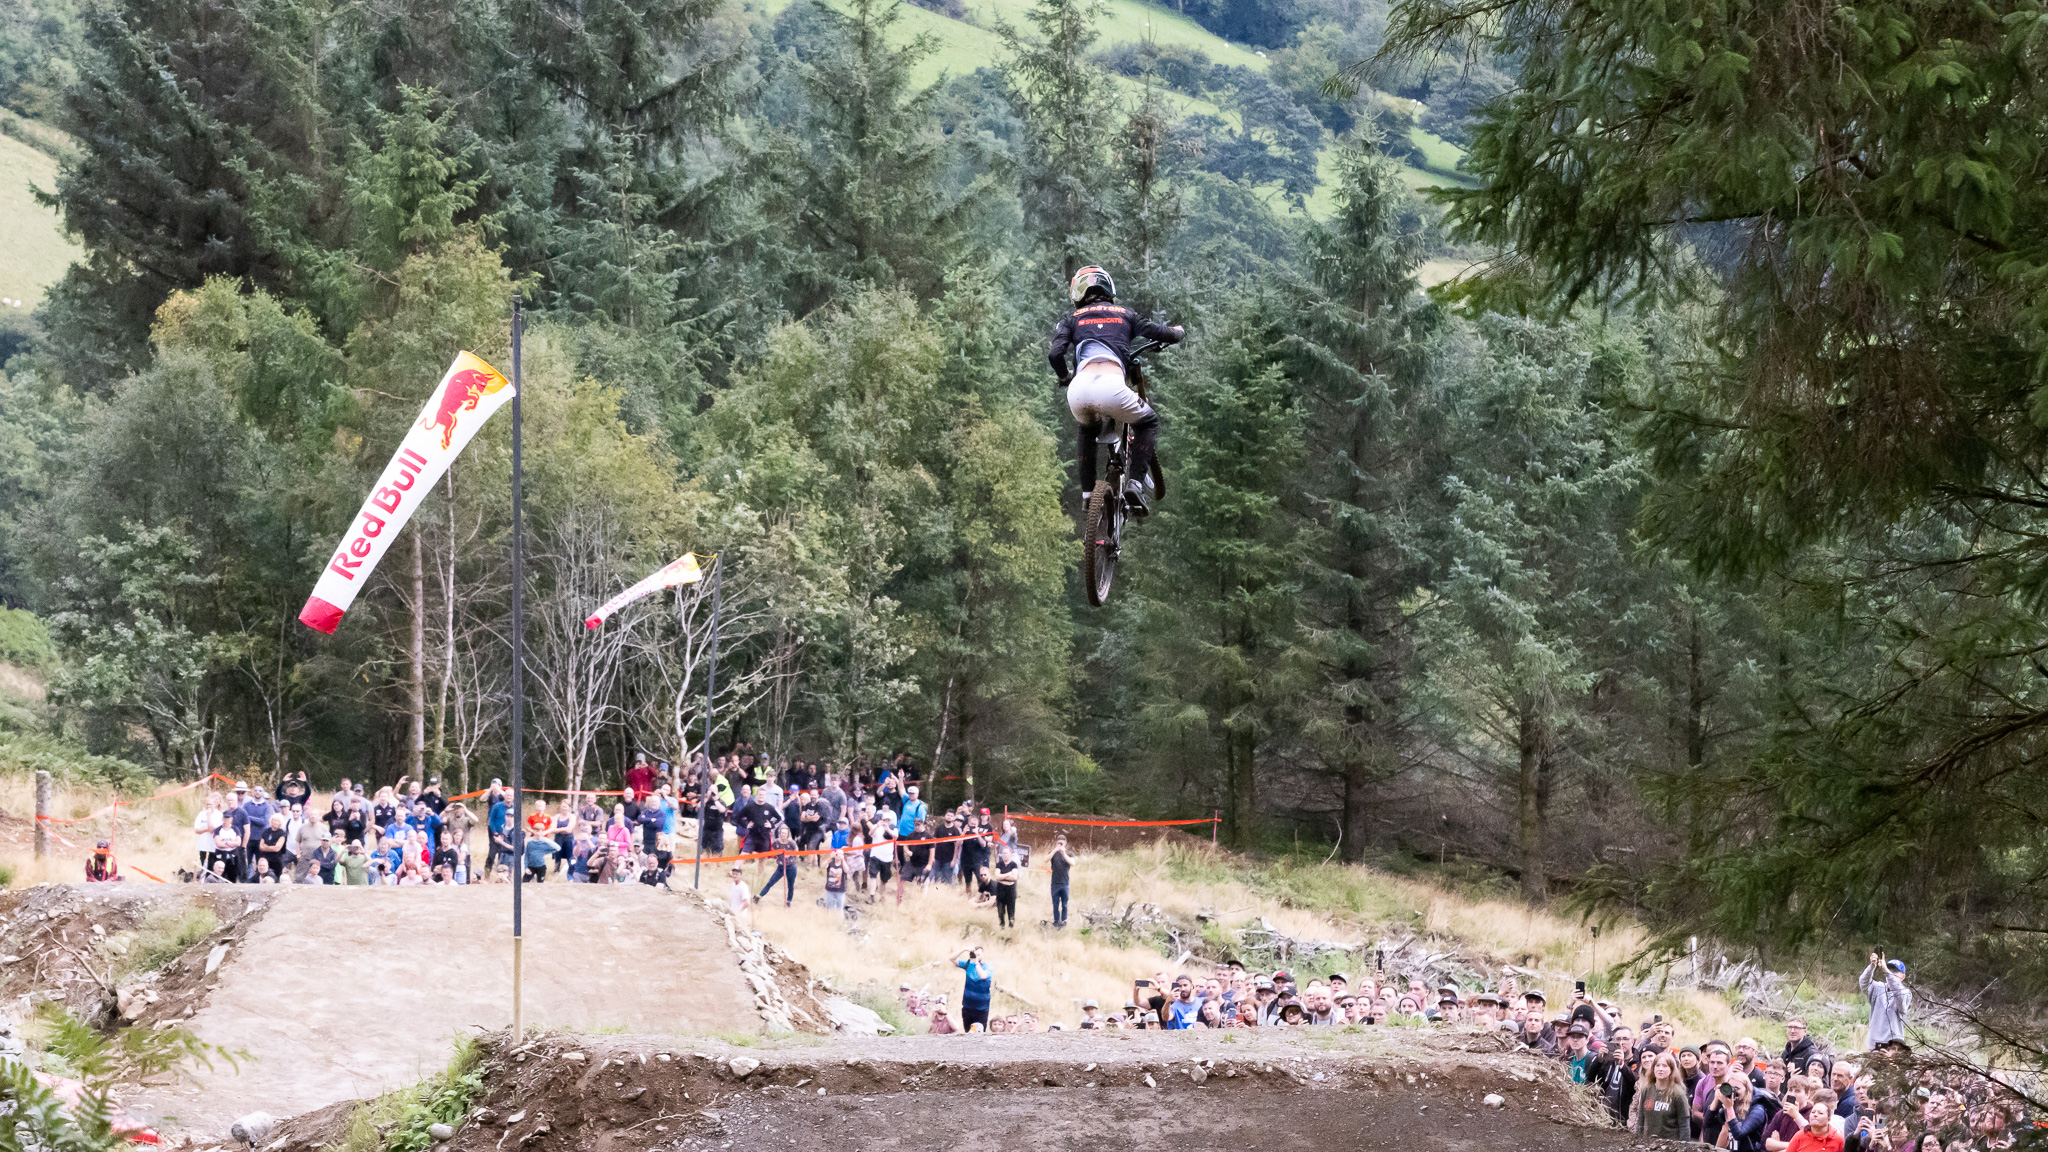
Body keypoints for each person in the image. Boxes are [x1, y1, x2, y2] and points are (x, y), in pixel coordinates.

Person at [1046, 264, 1185, 516]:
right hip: (1112, 387)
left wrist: (1065, 376)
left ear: (1077, 294)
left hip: (1078, 390)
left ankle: (1088, 495)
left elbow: (1055, 354)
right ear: (1108, 288)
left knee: (1087, 429)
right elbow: (1162, 333)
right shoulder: (1126, 314)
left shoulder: (1071, 319)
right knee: (1148, 422)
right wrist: (1178, 332)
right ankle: (1135, 485)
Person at [1636, 1051, 1694, 1140]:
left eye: (1665, 1066)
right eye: (1657, 1065)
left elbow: (1684, 1126)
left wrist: (1683, 1146)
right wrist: (1637, 1140)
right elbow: (1640, 1119)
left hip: (1670, 1144)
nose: (1660, 1069)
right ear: (1653, 1068)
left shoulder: (1678, 1093)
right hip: (1648, 1142)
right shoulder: (1646, 1090)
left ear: (1671, 1070)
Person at [1860, 953, 1911, 1049]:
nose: (1891, 972)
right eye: (1890, 969)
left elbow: (1898, 992)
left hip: (1894, 1046)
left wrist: (1887, 972)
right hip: (1874, 1044)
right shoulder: (1877, 987)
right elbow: (1863, 982)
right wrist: (1871, 967)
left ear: (1903, 976)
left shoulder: (1905, 993)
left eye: (1895, 971)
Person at [953, 946, 993, 1032]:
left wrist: (976, 963)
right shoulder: (968, 965)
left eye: (979, 955)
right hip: (967, 1006)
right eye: (975, 954)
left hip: (982, 1008)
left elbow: (983, 976)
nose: (977, 956)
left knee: (979, 1032)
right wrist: (964, 949)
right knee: (968, 1032)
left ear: (983, 955)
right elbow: (952, 958)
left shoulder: (988, 967)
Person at [991, 847, 1020, 928]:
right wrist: (1008, 874)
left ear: (1010, 854)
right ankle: (1002, 927)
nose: (1004, 855)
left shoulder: (1014, 864)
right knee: (1000, 911)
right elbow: (997, 877)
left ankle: (1011, 927)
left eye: (1006, 853)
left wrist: (1002, 876)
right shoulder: (999, 864)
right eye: (1003, 853)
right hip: (1000, 889)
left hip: (1010, 890)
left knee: (1011, 911)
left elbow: (1014, 878)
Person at [1048, 834, 1072, 928]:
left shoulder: (1069, 853)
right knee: (1055, 904)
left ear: (1065, 843)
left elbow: (1073, 862)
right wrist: (1055, 850)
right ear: (1056, 843)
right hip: (1055, 883)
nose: (1060, 844)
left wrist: (1063, 853)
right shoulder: (1053, 853)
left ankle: (1064, 921)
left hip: (1065, 882)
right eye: (1059, 843)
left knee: (1065, 904)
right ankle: (1056, 921)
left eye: (1062, 843)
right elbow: (1045, 859)